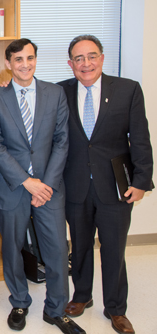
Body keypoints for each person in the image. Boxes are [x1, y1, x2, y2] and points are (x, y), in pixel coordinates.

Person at [0, 38, 86, 334]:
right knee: (12, 250)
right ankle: (19, 300)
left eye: (30, 58)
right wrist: (27, 182)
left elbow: (62, 141)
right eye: (18, 59)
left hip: (49, 188)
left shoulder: (55, 94)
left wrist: (46, 185)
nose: (25, 64)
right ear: (8, 64)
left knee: (56, 251)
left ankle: (55, 310)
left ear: (36, 60)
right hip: (12, 187)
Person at [58, 35, 153, 334]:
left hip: (115, 186)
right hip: (74, 187)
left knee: (114, 249)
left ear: (102, 57)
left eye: (91, 56)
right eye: (79, 58)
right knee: (81, 246)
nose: (86, 63)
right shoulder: (60, 92)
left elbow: (140, 139)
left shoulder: (127, 90)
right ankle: (81, 296)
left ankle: (115, 308)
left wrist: (141, 181)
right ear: (70, 63)